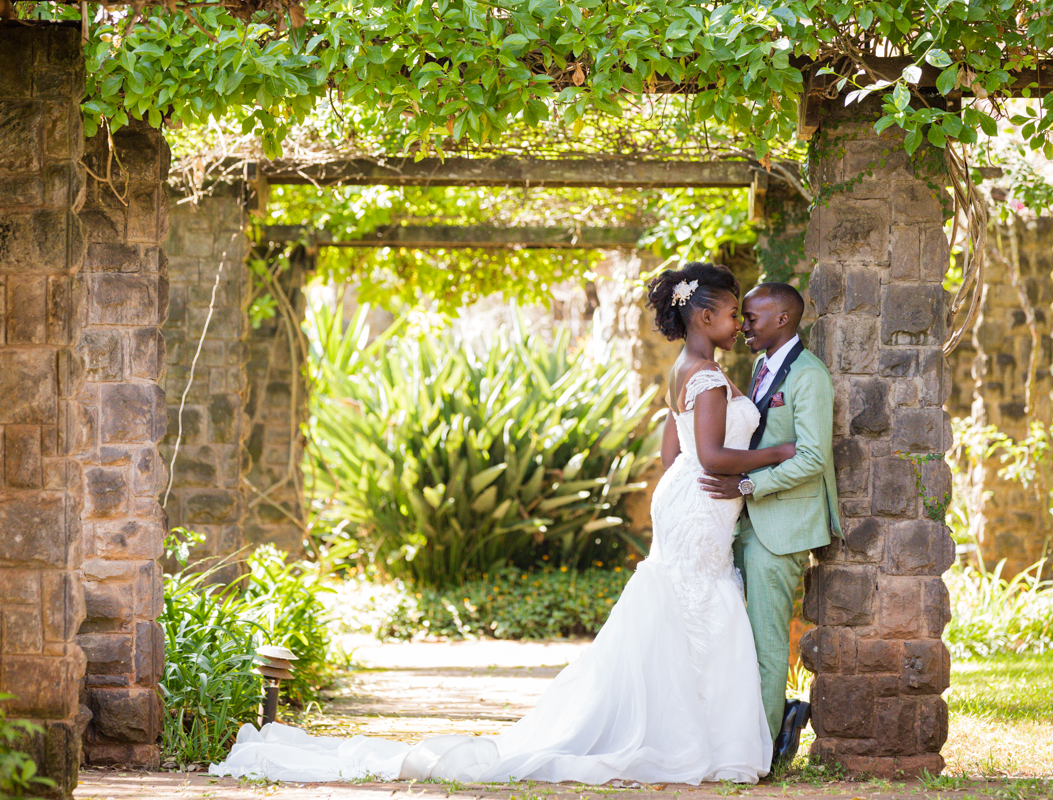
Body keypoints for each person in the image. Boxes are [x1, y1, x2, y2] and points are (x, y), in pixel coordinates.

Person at [209, 263, 797, 786]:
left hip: (690, 502)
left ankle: (685, 731)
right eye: (731, 311)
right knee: (699, 607)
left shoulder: (686, 369)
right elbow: (714, 458)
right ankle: (699, 738)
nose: (738, 322)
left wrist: (713, 476)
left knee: (687, 607)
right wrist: (774, 455)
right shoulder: (707, 376)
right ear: (703, 313)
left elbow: (674, 457)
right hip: (702, 503)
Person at [699, 283, 842, 767]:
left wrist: (747, 487)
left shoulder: (809, 376)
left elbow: (813, 457)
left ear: (783, 319)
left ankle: (758, 757)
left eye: (752, 318)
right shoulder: (761, 367)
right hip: (746, 524)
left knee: (765, 642)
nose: (743, 326)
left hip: (779, 527)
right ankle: (764, 727)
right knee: (739, 637)